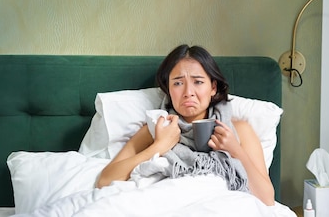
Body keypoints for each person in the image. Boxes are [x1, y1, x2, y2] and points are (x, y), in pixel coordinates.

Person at [96, 44, 275, 206]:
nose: (188, 92)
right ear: (168, 88)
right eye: (178, 83)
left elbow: (267, 199)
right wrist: (159, 146)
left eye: (198, 82)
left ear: (213, 87)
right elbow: (105, 179)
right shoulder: (157, 129)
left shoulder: (239, 130)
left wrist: (235, 149)